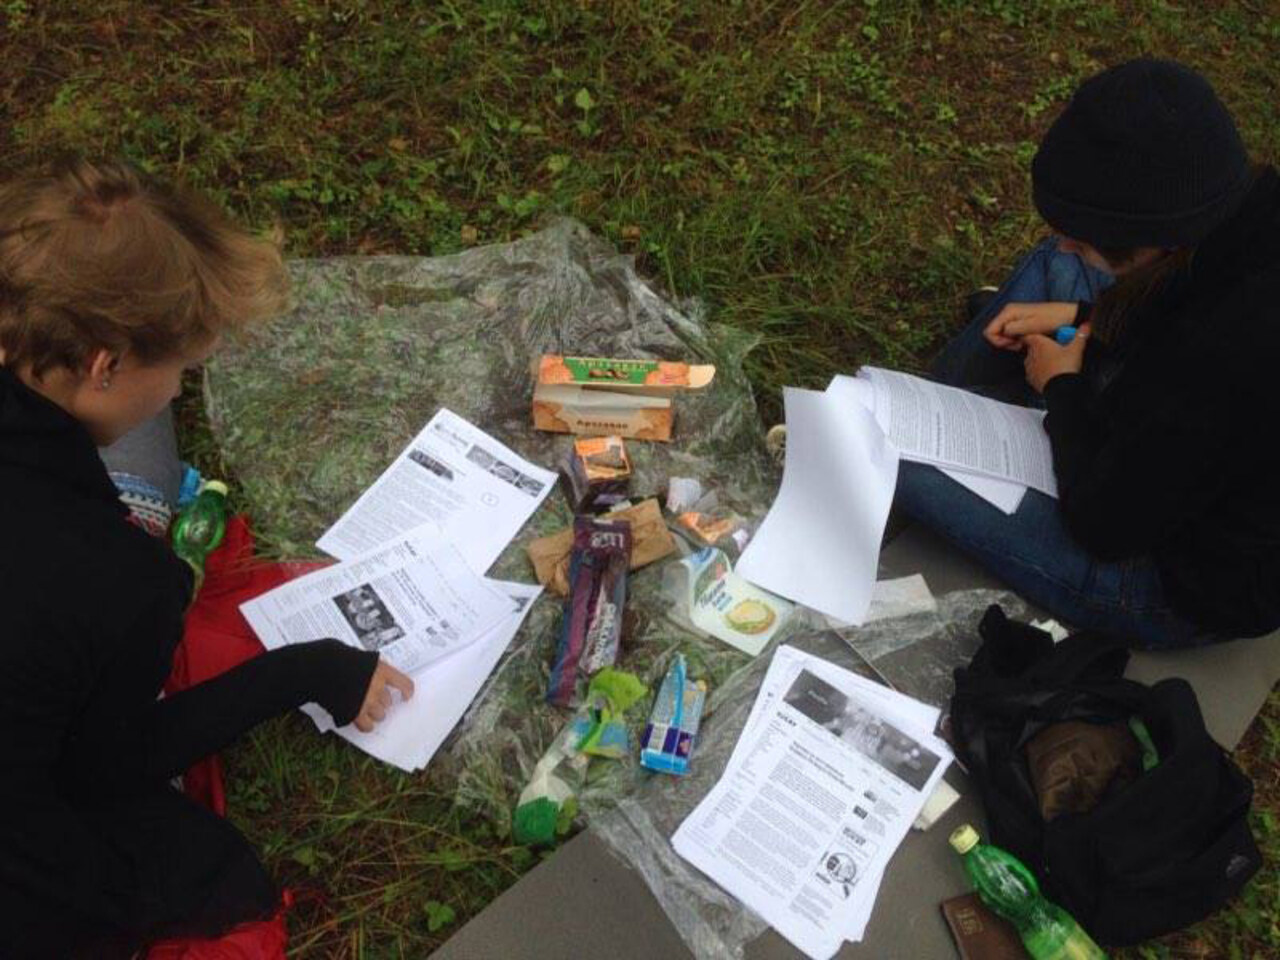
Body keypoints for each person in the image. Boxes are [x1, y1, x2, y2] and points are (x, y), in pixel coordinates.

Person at [0, 159, 415, 958]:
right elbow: (106, 771)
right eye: (183, 369)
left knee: (140, 453)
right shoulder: (120, 581)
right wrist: (302, 672)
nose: (184, 389)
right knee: (204, 875)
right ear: (103, 363)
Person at [896, 58, 1280, 649]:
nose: (1068, 241)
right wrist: (1086, 319)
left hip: (1173, 581)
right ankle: (945, 412)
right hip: (1189, 436)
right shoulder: (1244, 204)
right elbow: (1189, 293)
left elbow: (1106, 525)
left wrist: (1062, 388)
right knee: (1056, 269)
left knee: (885, 442)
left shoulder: (1220, 355)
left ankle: (922, 433)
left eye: (1087, 236)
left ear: (1161, 240)